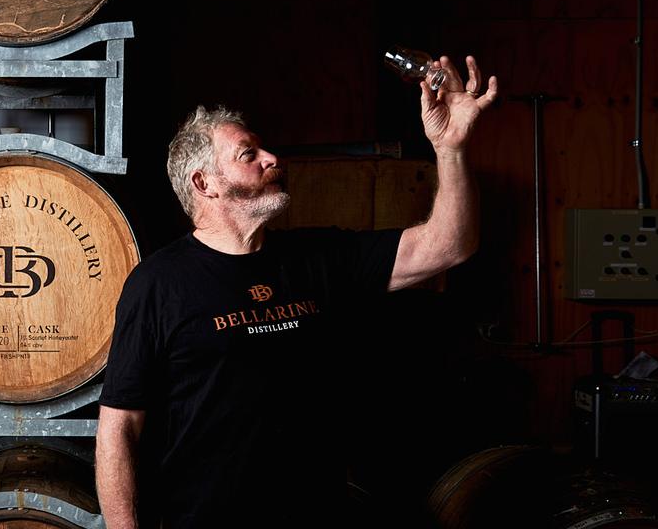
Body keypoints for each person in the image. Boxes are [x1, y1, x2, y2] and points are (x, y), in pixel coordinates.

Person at [94, 56, 499, 528]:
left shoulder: (318, 257)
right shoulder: (158, 283)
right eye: (249, 154)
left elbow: (450, 244)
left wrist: (450, 149)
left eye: (264, 150)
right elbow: (119, 429)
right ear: (203, 184)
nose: (272, 159)